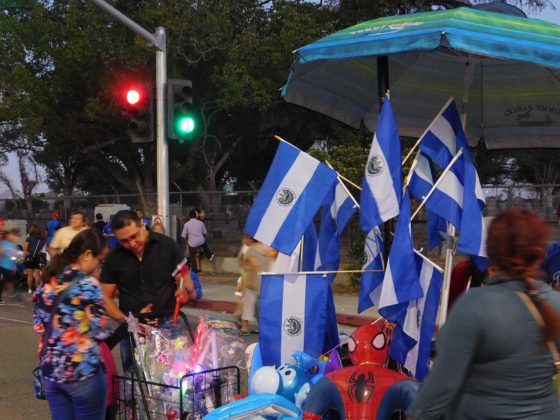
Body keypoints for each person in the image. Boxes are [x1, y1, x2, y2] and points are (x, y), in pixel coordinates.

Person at [407, 209, 560, 419]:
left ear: (490, 251)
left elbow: (440, 389)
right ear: (540, 253)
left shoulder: (474, 306)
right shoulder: (554, 303)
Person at [99, 210, 195, 372]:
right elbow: (104, 298)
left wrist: (185, 291)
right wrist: (127, 322)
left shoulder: (167, 246)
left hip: (167, 324)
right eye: (124, 241)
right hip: (132, 326)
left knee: (171, 376)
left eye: (135, 236)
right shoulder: (114, 257)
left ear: (142, 224)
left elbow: (186, 281)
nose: (132, 243)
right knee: (133, 379)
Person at [33, 229, 110, 420]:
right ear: (87, 255)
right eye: (100, 261)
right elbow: (100, 330)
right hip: (81, 371)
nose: (99, 267)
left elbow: (39, 325)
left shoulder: (46, 281)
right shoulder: (88, 284)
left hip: (51, 372)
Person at [235, 236, 273, 335]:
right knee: (259, 307)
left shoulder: (252, 249)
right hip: (264, 281)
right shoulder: (266, 249)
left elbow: (253, 265)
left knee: (247, 305)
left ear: (252, 239)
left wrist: (246, 280)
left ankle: (244, 328)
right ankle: (262, 328)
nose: (244, 240)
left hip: (252, 281)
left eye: (246, 238)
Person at [0, 228, 22, 305]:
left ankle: (13, 294)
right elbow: (2, 251)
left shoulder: (14, 245)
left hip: (10, 267)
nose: (15, 238)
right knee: (2, 282)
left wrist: (18, 257)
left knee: (10, 281)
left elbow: (16, 255)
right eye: (13, 236)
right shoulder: (3, 243)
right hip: (2, 266)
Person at [23, 224, 47, 294]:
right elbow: (45, 248)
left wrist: (25, 255)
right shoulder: (43, 239)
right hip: (39, 257)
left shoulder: (29, 238)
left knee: (30, 274)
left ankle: (30, 289)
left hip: (30, 257)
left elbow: (25, 248)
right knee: (37, 274)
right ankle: (37, 290)